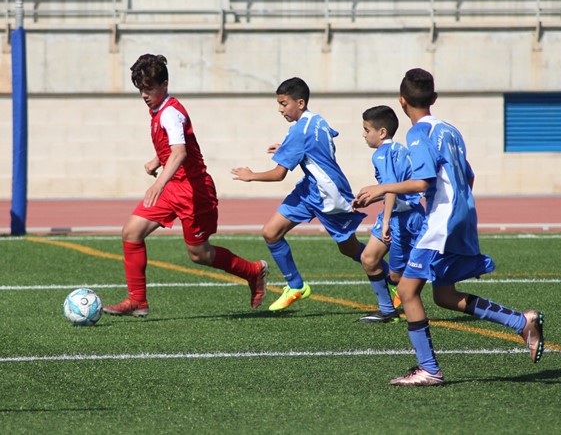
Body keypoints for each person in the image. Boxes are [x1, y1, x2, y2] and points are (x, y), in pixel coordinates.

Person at [354, 68, 544, 386]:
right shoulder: (450, 130)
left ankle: (429, 368)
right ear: (434, 98)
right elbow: (467, 176)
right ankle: (521, 322)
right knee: (443, 295)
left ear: (402, 101)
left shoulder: (418, 134)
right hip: (463, 216)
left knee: (406, 289)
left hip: (442, 219)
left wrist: (381, 189)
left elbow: (423, 180)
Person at [104, 54, 268, 317]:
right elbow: (176, 148)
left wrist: (158, 182)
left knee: (199, 255)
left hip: (194, 191)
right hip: (173, 188)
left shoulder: (170, 113)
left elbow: (179, 152)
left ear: (164, 85)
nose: (144, 95)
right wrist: (156, 159)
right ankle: (137, 300)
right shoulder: (159, 109)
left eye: (149, 88)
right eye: (141, 90)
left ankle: (253, 271)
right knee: (131, 232)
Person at [231, 77, 369, 312]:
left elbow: (278, 174)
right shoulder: (317, 120)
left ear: (300, 103)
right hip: (309, 190)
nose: (280, 109)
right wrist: (286, 148)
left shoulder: (299, 132)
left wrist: (251, 175)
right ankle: (296, 286)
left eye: (284, 104)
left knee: (350, 249)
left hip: (329, 195)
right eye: (279, 103)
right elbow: (322, 141)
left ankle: (392, 280)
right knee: (271, 232)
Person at [356, 105, 424, 324]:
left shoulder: (382, 154)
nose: (364, 135)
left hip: (403, 219)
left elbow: (391, 187)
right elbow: (392, 188)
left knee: (396, 276)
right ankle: (387, 310)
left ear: (382, 132)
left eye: (367, 130)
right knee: (368, 258)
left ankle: (414, 299)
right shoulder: (399, 148)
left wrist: (385, 222)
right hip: (395, 213)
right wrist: (371, 199)